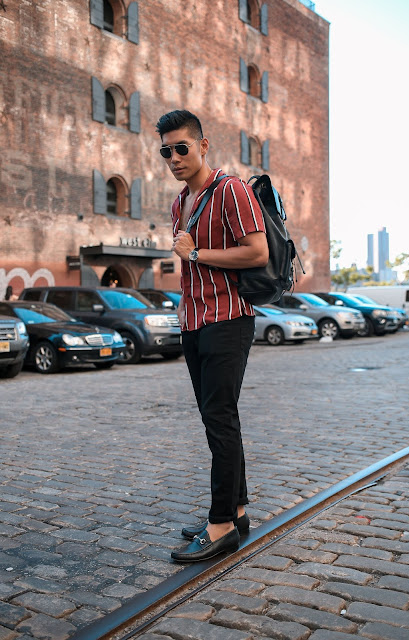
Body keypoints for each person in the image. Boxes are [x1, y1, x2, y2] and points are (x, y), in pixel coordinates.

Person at [156, 110, 269, 562]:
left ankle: (221, 524)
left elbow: (257, 252)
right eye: (166, 151)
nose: (174, 157)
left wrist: (197, 252)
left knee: (220, 417)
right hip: (194, 323)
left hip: (228, 319)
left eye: (182, 147)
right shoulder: (178, 203)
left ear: (203, 146)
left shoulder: (231, 190)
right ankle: (236, 508)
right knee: (215, 417)